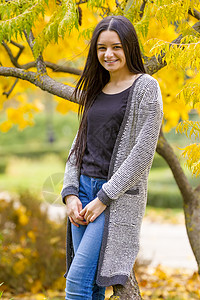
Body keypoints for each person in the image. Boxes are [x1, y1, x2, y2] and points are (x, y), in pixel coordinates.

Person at [61, 15, 163, 300]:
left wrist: (104, 197)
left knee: (77, 282)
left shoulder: (146, 88)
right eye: (101, 48)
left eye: (116, 47)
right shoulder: (95, 89)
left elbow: (142, 154)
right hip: (82, 193)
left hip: (113, 198)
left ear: (129, 47)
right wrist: (70, 194)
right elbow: (77, 147)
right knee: (90, 286)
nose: (108, 54)